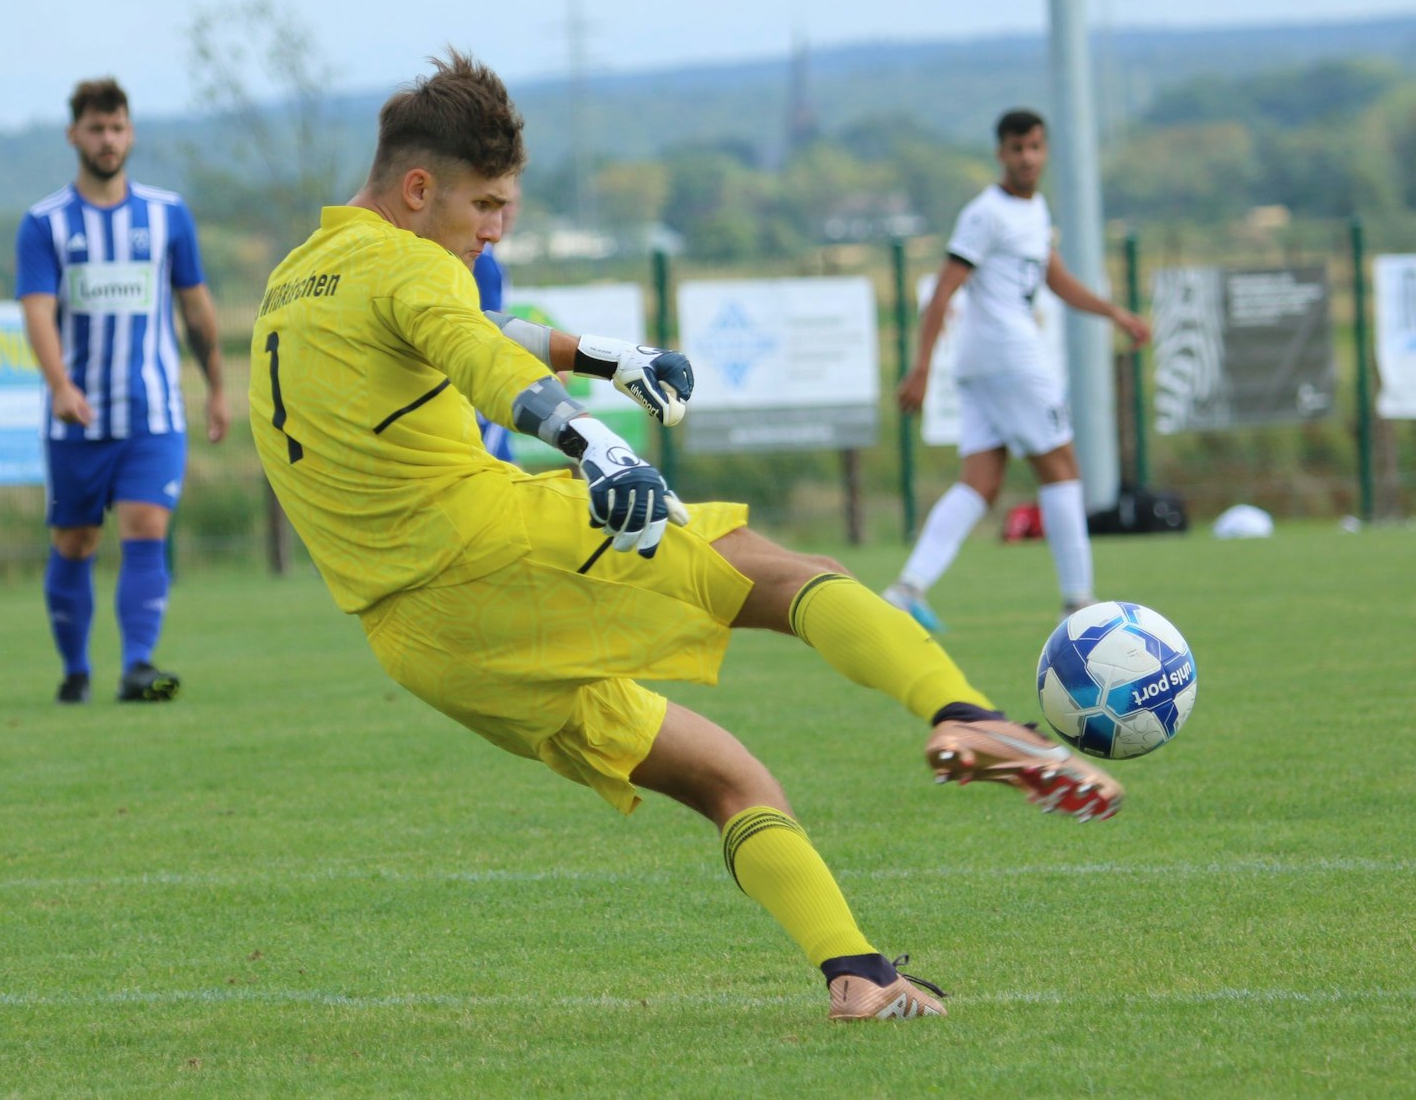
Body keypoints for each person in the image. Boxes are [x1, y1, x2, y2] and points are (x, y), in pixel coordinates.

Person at [251, 52, 1124, 1024]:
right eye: (486, 206)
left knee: (727, 779)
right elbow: (475, 355)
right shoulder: (414, 264)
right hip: (490, 548)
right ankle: (967, 714)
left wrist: (600, 355)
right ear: (419, 190)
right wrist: (594, 446)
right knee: (793, 575)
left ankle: (860, 977)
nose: (495, 230)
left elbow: (463, 323)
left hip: (420, 642)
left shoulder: (302, 278)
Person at [886, 109, 1151, 632]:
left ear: (1045, 150)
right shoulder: (986, 213)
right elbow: (943, 290)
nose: (1027, 158)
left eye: (1035, 147)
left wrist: (1114, 313)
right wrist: (921, 367)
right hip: (1012, 358)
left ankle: (906, 590)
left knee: (980, 482)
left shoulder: (1034, 209)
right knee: (1062, 467)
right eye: (1017, 149)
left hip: (982, 364)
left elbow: (1056, 278)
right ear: (1000, 153)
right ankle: (1078, 602)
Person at [17, 77, 228, 705]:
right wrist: (59, 385)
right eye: (96, 129)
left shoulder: (167, 214)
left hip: (152, 413)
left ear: (130, 134)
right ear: (73, 135)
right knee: (75, 541)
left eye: (116, 128)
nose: (107, 140)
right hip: (76, 418)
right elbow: (36, 312)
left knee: (146, 526)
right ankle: (75, 670)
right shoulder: (45, 223)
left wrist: (217, 387)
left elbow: (196, 308)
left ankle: (138, 667)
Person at [470, 240, 516, 462]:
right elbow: (492, 325)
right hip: (485, 378)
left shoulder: (486, 256)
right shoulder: (480, 258)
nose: (495, 229)